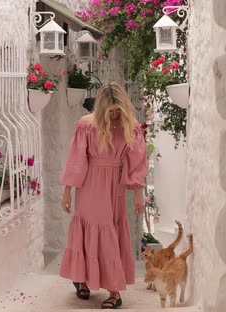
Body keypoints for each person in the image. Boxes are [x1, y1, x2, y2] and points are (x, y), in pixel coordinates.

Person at [58, 82, 147, 309]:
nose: (115, 115)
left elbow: (136, 162)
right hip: (89, 186)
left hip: (113, 189)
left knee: (111, 233)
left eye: (119, 110)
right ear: (102, 109)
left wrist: (138, 193)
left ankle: (115, 292)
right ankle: (83, 280)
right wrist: (67, 191)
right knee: (88, 229)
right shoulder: (87, 126)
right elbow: (76, 160)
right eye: (111, 111)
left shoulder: (131, 127)